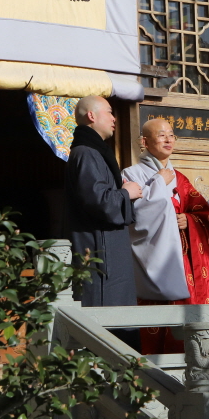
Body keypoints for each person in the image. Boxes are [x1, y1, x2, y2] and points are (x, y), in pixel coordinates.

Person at [122, 119, 209, 353]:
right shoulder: (131, 173)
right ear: (145, 142)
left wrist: (189, 220)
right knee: (152, 322)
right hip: (150, 256)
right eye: (161, 135)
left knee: (184, 321)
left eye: (171, 135)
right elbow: (134, 215)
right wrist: (158, 183)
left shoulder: (180, 178)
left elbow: (205, 215)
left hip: (183, 259)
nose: (168, 140)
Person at [64, 95, 142, 308]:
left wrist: (122, 192)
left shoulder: (94, 152)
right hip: (99, 250)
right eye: (109, 112)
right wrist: (126, 193)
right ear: (92, 115)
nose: (114, 118)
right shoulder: (86, 154)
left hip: (110, 246)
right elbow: (98, 201)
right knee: (106, 311)